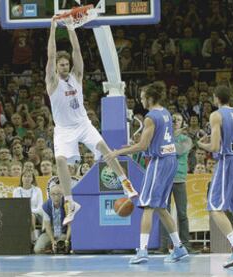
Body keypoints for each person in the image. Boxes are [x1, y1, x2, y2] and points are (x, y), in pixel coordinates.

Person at [46, 18, 138, 226]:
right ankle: (70, 203)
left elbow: (77, 52)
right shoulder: (52, 82)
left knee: (105, 149)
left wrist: (71, 29)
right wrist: (52, 27)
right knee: (60, 160)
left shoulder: (76, 76)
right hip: (63, 129)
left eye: (66, 63)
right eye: (61, 64)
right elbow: (51, 54)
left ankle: (126, 184)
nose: (64, 66)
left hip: (83, 124)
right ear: (56, 67)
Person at [104, 84, 188, 264]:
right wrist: (132, 147)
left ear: (150, 98)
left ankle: (142, 250)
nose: (141, 100)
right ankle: (179, 247)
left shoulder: (150, 117)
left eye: (143, 97)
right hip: (170, 159)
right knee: (160, 207)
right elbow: (154, 140)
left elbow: (142, 146)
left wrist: (117, 153)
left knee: (148, 206)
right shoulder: (165, 112)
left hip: (159, 162)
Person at [197, 85, 233, 268]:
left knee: (215, 208)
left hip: (228, 161)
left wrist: (200, 144)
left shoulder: (216, 115)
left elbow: (214, 147)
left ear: (216, 98)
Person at [159, 113, 196, 253]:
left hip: (179, 179)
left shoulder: (186, 139)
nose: (175, 122)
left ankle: (186, 245)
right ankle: (163, 246)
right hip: (165, 179)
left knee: (182, 213)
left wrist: (171, 137)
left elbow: (178, 150)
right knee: (164, 212)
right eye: (173, 120)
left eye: (178, 120)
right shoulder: (163, 138)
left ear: (182, 123)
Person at [34, 183, 71, 254]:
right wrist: (52, 241)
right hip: (50, 233)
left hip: (63, 232)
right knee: (37, 250)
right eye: (53, 194)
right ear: (50, 195)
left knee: (61, 247)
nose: (56, 197)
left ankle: (56, 248)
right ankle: (51, 248)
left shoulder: (67, 204)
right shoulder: (46, 206)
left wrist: (67, 240)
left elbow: (70, 225)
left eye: (59, 194)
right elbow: (47, 226)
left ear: (62, 194)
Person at [13, 169, 44, 242]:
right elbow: (15, 207)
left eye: (29, 176)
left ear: (33, 179)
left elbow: (40, 208)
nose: (27, 178)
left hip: (36, 215)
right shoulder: (16, 191)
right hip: (20, 214)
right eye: (25, 176)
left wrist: (28, 211)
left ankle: (33, 239)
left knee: (31, 216)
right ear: (21, 178)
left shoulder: (37, 190)